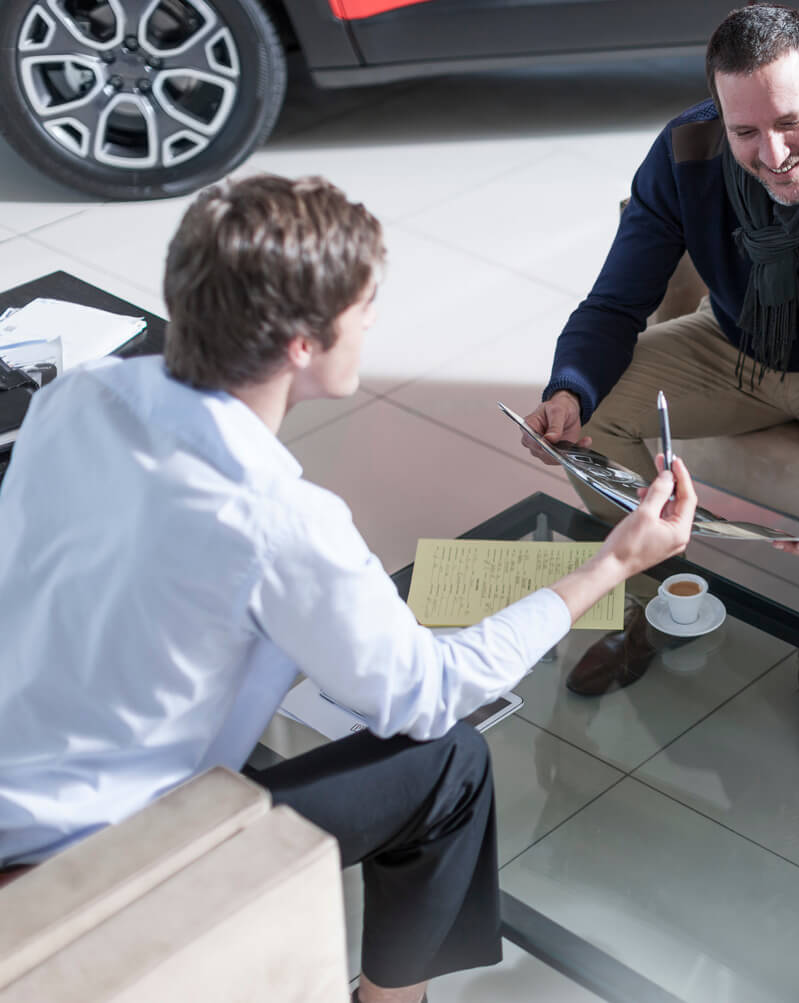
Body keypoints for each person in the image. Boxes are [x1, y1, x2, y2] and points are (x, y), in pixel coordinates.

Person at [0, 175, 697, 1003]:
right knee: (450, 764)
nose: (371, 324)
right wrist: (613, 562)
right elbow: (430, 695)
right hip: (96, 858)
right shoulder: (276, 516)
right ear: (303, 342)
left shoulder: (73, 396)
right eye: (364, 308)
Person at [522, 2, 799, 789]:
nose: (772, 152)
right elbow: (616, 303)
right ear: (718, 114)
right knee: (593, 423)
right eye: (745, 131)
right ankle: (659, 601)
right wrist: (568, 389)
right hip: (728, 342)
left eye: (789, 122)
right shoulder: (684, 152)